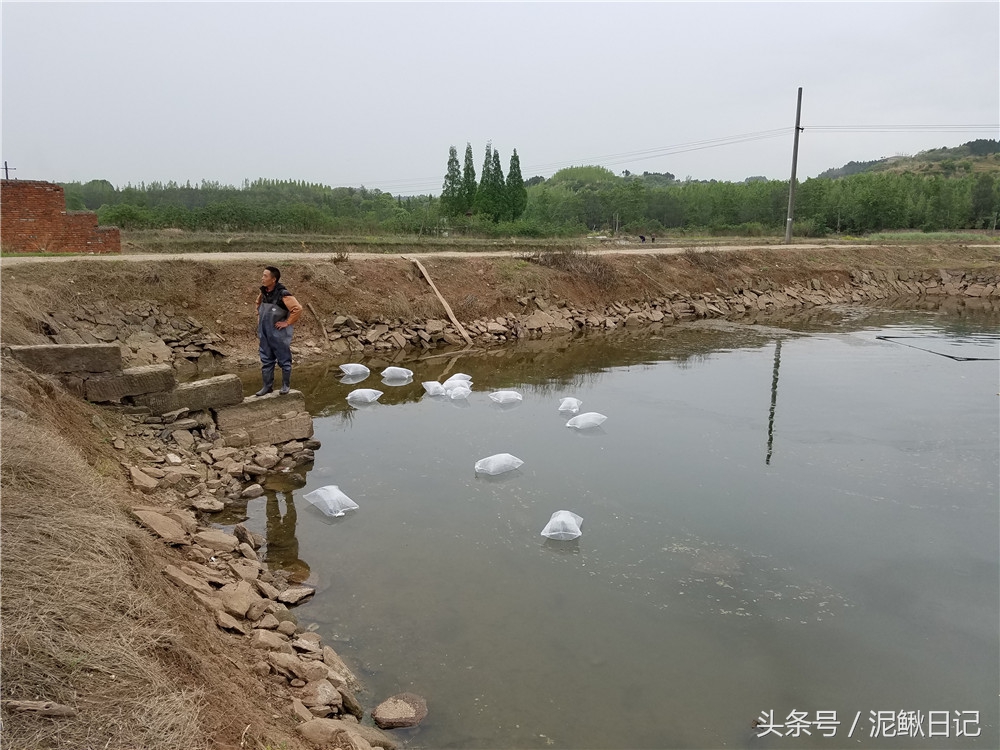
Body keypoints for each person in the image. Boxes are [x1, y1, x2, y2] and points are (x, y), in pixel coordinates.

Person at [254, 266, 303, 396]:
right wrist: (259, 318)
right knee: (266, 360)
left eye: (265, 276)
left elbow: (297, 309)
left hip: (279, 334)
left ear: (273, 279)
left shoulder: (283, 294)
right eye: (262, 275)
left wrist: (287, 322)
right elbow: (258, 304)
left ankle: (285, 385)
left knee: (284, 360)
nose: (262, 278)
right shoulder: (263, 292)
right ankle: (267, 387)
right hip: (265, 333)